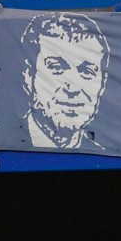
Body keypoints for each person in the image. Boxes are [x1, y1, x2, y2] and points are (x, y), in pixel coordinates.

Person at [16, 13, 111, 151]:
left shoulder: (102, 152)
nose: (72, 88)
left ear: (102, 84)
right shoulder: (10, 139)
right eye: (57, 68)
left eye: (87, 71)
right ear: (28, 76)